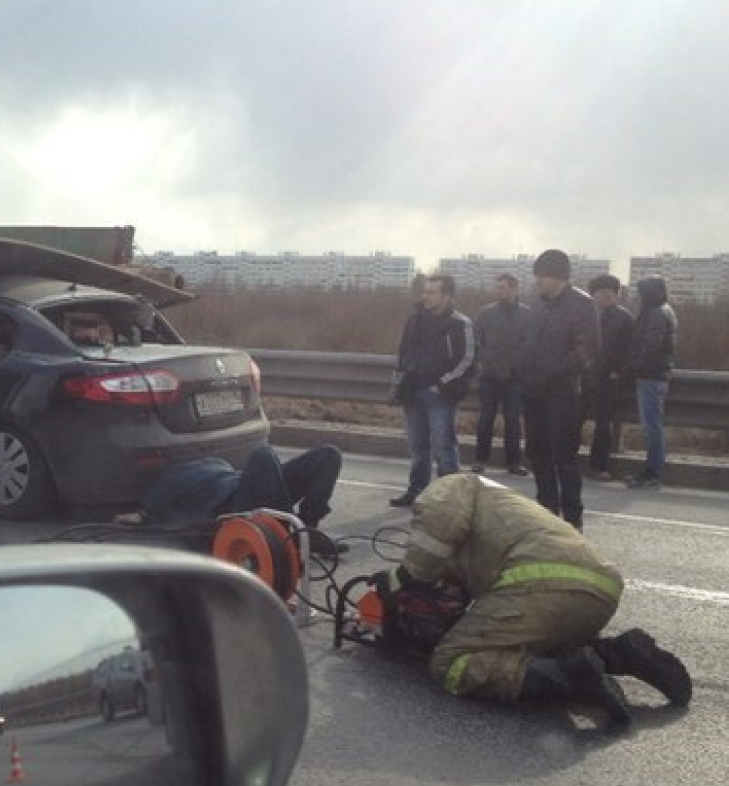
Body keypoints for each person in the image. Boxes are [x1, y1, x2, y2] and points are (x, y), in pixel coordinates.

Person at [371, 473, 691, 731]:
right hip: (601, 587)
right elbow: (464, 572)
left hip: (541, 582)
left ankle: (569, 680)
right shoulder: (501, 502)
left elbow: (436, 534)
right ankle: (617, 654)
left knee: (452, 662)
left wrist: (408, 576)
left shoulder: (449, 487)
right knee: (527, 647)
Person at [114, 444, 348, 555]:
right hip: (236, 505)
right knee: (262, 454)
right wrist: (142, 515)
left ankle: (307, 530)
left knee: (328, 455)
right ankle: (294, 538)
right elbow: (155, 508)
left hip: (251, 486)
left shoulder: (208, 462)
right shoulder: (167, 479)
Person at [518, 249, 597, 530]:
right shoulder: (538, 304)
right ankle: (546, 513)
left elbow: (586, 351)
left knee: (563, 456)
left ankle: (573, 518)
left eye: (541, 276)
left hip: (562, 393)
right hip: (533, 391)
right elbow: (528, 341)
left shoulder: (582, 304)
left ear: (557, 277)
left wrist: (554, 369)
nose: (537, 282)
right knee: (537, 452)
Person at [389, 274, 476, 508]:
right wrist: (399, 380)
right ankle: (416, 491)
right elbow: (403, 351)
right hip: (413, 390)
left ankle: (449, 499)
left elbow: (468, 360)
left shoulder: (461, 324)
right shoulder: (415, 319)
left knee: (443, 445)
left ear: (447, 296)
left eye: (431, 292)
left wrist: (442, 384)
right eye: (424, 291)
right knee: (418, 446)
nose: (425, 296)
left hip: (441, 395)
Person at [470, 273, 530, 476]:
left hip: (515, 377)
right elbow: (476, 342)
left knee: (513, 421)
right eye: (497, 287)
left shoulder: (527, 315)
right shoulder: (485, 314)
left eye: (503, 287)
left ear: (514, 289)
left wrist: (520, 367)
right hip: (489, 375)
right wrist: (485, 362)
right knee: (486, 418)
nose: (499, 291)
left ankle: (513, 463)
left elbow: (530, 345)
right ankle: (480, 459)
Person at [624, 275, 678, 490]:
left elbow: (650, 345)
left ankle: (652, 473)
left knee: (651, 426)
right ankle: (651, 471)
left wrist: (631, 367)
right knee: (652, 426)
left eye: (642, 293)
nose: (639, 297)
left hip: (651, 375)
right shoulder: (664, 310)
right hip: (655, 374)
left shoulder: (656, 313)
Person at [585, 274, 635, 482]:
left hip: (608, 378)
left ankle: (598, 466)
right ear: (593, 295)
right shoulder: (583, 314)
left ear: (616, 295)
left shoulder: (625, 318)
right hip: (582, 376)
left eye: (610, 293)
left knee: (603, 424)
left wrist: (618, 371)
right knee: (570, 420)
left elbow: (630, 350)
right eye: (601, 292)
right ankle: (564, 460)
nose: (605, 296)